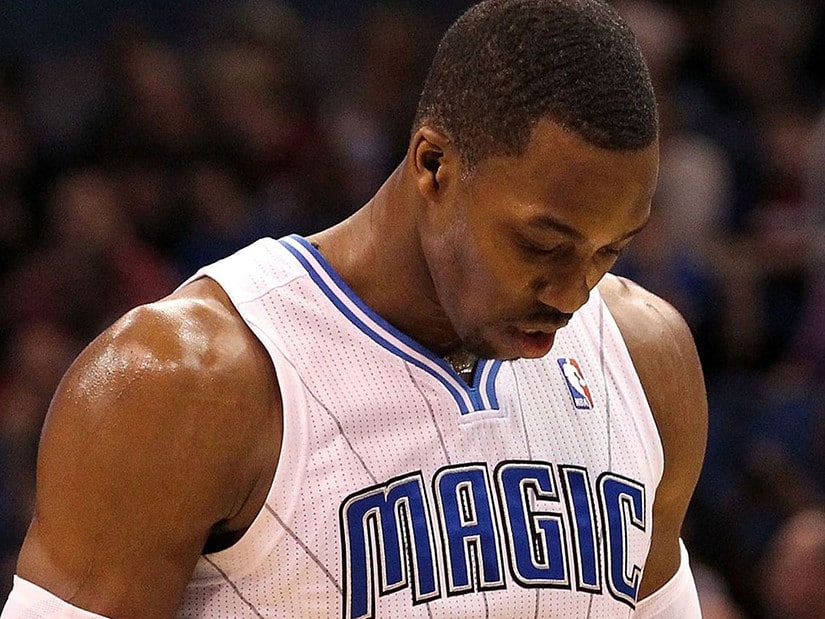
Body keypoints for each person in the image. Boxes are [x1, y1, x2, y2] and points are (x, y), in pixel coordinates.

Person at [1, 0, 707, 617]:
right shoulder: (185, 382)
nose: (571, 294)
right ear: (434, 165)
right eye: (541, 245)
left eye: (609, 250)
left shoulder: (644, 359)